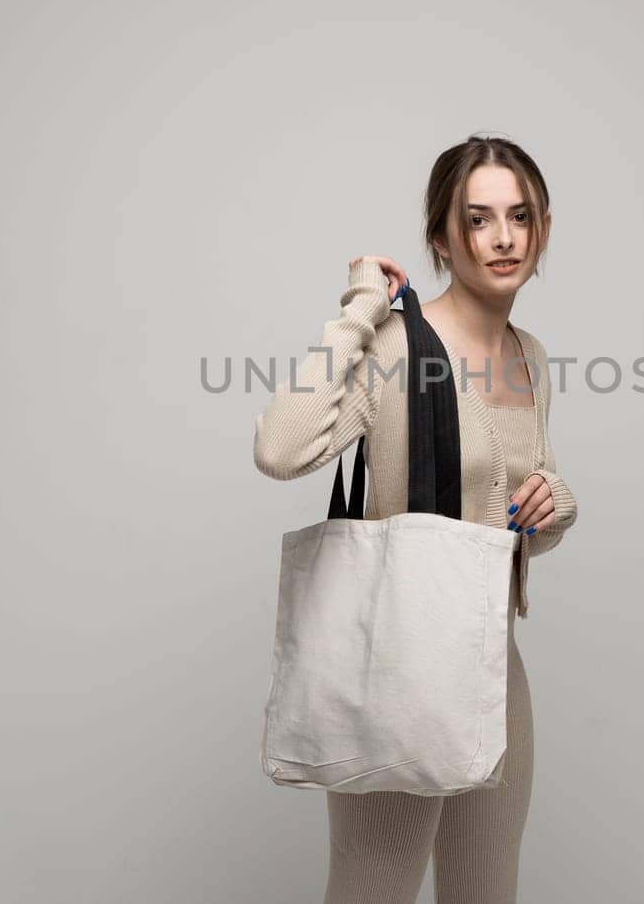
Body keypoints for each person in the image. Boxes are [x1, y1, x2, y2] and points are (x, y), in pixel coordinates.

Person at [252, 134, 579, 903]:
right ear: (440, 236)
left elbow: (524, 505)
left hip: (498, 670)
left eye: (520, 216)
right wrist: (361, 308)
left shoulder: (529, 356)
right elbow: (280, 446)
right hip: (401, 665)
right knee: (375, 889)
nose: (503, 238)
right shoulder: (398, 349)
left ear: (542, 228)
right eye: (478, 219)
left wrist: (554, 504)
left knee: (486, 891)